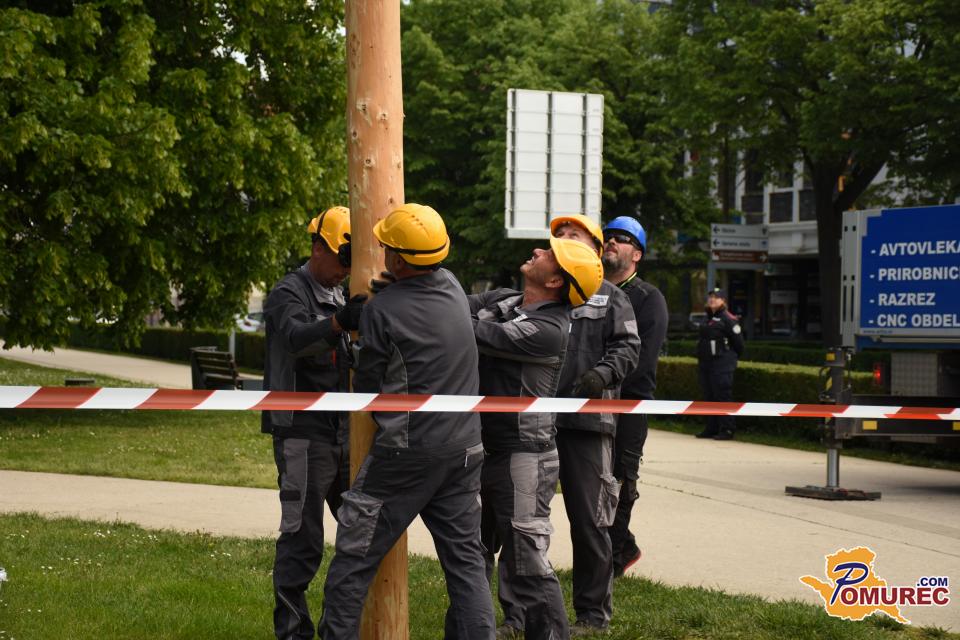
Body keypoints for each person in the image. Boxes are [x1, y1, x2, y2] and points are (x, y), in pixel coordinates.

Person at [321, 203, 495, 640]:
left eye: (386, 248)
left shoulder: (383, 311)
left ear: (397, 260)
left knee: (354, 556)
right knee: (467, 566)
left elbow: (369, 387)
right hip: (465, 449)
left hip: (407, 454)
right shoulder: (452, 286)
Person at [469, 238, 604, 640]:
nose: (539, 252)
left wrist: (422, 293)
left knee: (527, 561)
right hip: (486, 448)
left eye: (549, 255)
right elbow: (456, 306)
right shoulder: (507, 299)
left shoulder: (547, 329)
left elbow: (468, 328)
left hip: (523, 458)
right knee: (471, 553)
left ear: (556, 280)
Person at [262, 206, 368, 640]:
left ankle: (341, 628)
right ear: (318, 246)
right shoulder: (288, 293)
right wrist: (340, 322)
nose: (346, 270)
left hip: (345, 432)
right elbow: (294, 340)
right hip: (302, 436)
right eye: (343, 259)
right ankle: (292, 632)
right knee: (301, 540)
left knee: (361, 533)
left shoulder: (344, 293)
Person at [550, 214, 640, 633]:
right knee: (516, 522)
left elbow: (628, 348)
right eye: (559, 235)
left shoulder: (611, 298)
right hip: (535, 423)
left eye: (575, 235)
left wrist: (600, 376)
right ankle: (518, 613)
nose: (565, 240)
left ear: (596, 248)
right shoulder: (546, 291)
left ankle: (592, 614)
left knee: (589, 524)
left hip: (588, 426)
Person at [599, 216, 669, 578]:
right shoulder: (590, 290)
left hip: (628, 405)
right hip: (590, 404)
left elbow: (641, 361)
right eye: (608, 236)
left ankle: (611, 561)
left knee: (620, 483)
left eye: (622, 238)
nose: (612, 241)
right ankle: (622, 546)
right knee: (592, 482)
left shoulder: (648, 298)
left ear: (637, 254)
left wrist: (600, 382)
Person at [696, 287, 745, 440]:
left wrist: (728, 360)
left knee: (722, 396)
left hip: (722, 365)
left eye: (716, 297)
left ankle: (727, 429)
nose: (712, 300)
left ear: (723, 301)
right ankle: (712, 428)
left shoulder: (728, 319)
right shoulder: (708, 317)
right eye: (710, 297)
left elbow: (739, 344)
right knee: (709, 396)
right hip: (707, 364)